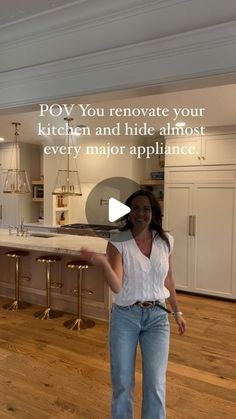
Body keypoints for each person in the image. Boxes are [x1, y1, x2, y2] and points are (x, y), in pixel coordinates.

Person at [80, 189, 186, 419]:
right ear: (128, 212)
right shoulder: (119, 241)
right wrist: (103, 264)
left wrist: (177, 311)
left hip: (157, 317)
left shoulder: (165, 241)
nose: (140, 213)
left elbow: (168, 279)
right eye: (135, 208)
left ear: (153, 212)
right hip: (125, 317)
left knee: (156, 383)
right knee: (122, 383)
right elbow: (117, 286)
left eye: (146, 209)